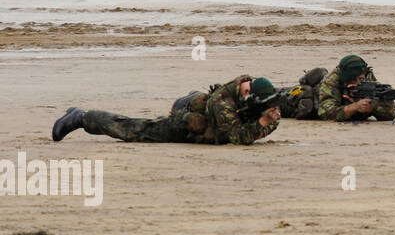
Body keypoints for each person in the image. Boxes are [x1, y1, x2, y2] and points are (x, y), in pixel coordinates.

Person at [51, 75, 280, 144]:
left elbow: (270, 121)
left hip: (202, 124)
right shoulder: (223, 101)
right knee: (133, 129)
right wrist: (261, 124)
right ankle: (81, 117)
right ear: (248, 92)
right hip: (184, 126)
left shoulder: (252, 99)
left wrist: (266, 119)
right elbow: (237, 137)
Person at [316, 54, 395, 122]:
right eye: (353, 80)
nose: (358, 83)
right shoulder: (331, 82)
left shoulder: (368, 78)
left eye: (361, 79)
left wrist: (372, 107)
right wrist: (355, 107)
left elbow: (391, 114)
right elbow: (325, 114)